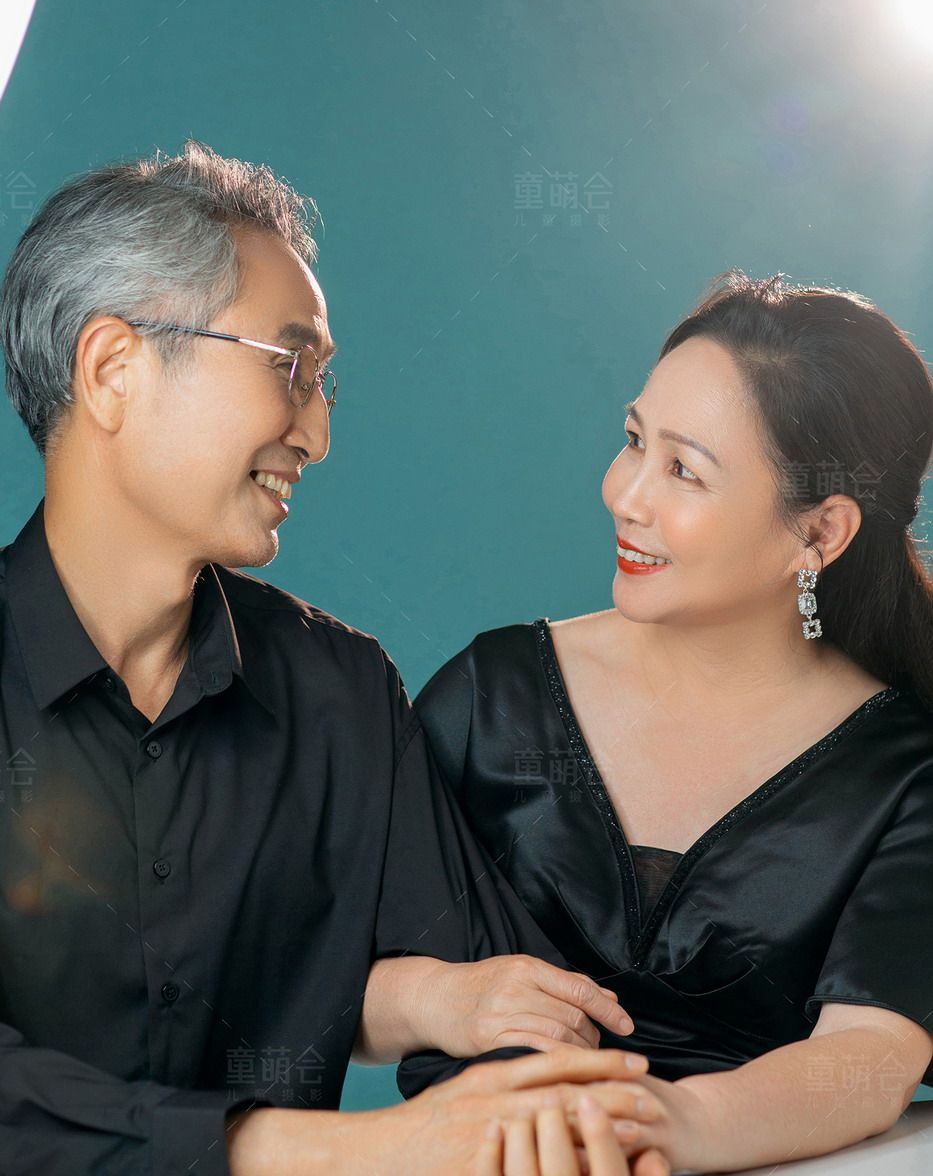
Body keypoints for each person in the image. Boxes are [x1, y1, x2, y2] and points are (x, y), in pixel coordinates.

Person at [0, 140, 674, 1176]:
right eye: (288, 366)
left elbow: (496, 1002)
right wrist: (316, 1148)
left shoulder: (339, 689)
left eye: (323, 381)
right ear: (112, 370)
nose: (315, 433)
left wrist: (510, 1066)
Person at [412, 271, 933, 1173]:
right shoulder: (489, 696)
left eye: (683, 470)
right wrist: (438, 1000)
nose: (626, 495)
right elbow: (329, 979)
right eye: (632, 441)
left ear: (819, 534)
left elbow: (869, 1057)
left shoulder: (903, 772)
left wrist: (661, 1121)